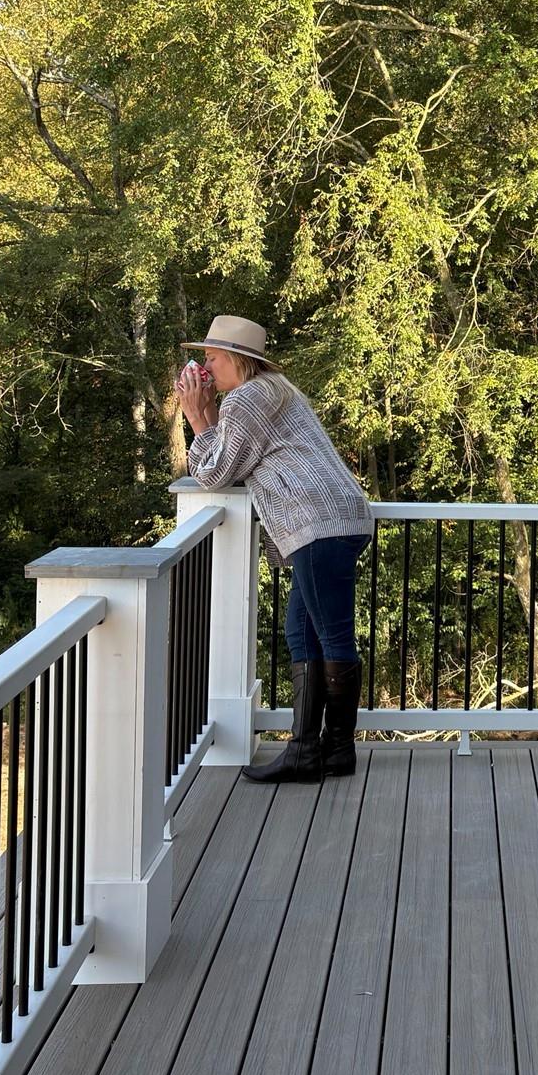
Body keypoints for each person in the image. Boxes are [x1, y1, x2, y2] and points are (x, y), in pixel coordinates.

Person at [175, 314, 372, 783]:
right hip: (329, 520)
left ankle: (317, 751)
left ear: (237, 360)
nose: (205, 367)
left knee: (331, 637)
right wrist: (205, 417)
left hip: (318, 522)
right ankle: (326, 750)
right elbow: (231, 458)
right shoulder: (273, 390)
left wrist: (195, 418)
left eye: (212, 357)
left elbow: (215, 471)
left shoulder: (248, 398)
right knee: (303, 632)